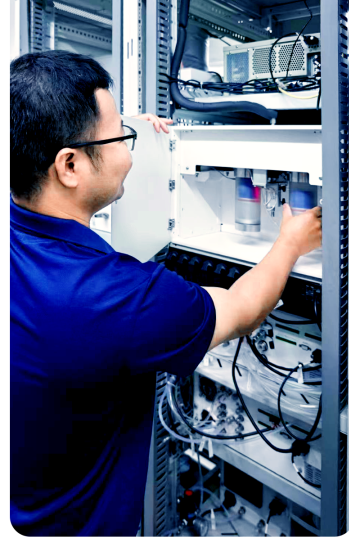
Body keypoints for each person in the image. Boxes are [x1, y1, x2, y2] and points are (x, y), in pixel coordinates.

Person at [9, 50, 323, 536]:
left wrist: (124, 133)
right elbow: (244, 309)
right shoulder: (120, 298)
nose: (130, 151)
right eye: (121, 137)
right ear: (69, 165)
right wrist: (290, 243)